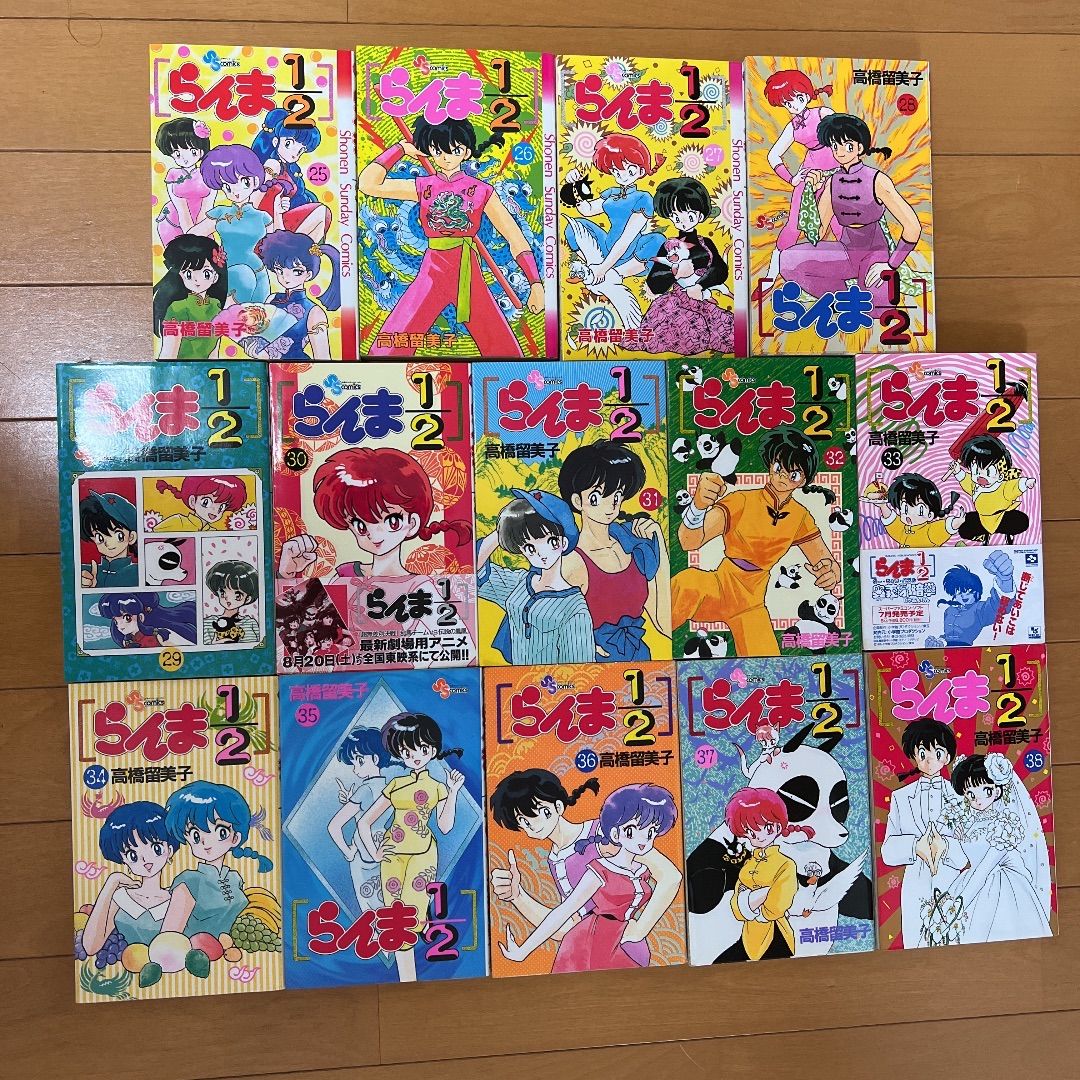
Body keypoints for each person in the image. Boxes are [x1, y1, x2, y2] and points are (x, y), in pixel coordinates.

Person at [358, 116, 544, 356]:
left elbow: (514, 236)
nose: (446, 157)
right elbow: (368, 184)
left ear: (466, 152)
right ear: (430, 151)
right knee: (389, 345)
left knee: (504, 350)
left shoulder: (482, 190)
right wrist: (399, 149)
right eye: (439, 151)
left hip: (467, 272)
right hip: (431, 271)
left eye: (455, 150)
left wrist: (535, 282)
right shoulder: (424, 186)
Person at [672, 428, 841, 656]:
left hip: (752, 602)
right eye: (779, 467)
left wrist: (830, 573)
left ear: (803, 480)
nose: (783, 477)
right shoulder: (741, 500)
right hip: (719, 585)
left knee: (766, 662)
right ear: (770, 465)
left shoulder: (800, 516)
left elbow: (826, 561)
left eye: (794, 474)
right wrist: (698, 506)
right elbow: (689, 541)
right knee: (687, 583)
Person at [498, 784, 679, 972]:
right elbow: (566, 919)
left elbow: (670, 876)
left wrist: (641, 929)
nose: (532, 823)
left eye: (539, 811)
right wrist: (517, 897)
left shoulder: (602, 831)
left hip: (627, 947)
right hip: (589, 949)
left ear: (558, 806)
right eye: (523, 820)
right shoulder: (562, 862)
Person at [351, 713, 465, 982]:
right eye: (407, 751)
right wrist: (375, 853)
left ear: (432, 750)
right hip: (392, 856)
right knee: (395, 916)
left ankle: (409, 979)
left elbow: (445, 826)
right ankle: (407, 979)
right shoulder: (396, 785)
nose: (415, 756)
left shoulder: (437, 787)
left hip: (423, 855)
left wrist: (453, 792)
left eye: (422, 749)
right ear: (399, 753)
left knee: (412, 914)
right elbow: (365, 822)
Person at [779, 113, 922, 311]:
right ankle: (841, 299)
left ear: (860, 148)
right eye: (834, 146)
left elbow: (913, 226)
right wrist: (810, 193)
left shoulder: (878, 180)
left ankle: (855, 298)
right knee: (788, 261)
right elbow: (817, 233)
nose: (840, 152)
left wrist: (891, 264)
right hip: (845, 252)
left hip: (875, 255)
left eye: (847, 145)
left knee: (880, 310)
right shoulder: (831, 183)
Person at [558, 441, 668, 661]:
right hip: (591, 665)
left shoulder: (635, 548)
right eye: (597, 496)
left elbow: (664, 622)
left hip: (641, 660)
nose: (611, 505)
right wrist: (581, 643)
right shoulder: (571, 562)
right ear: (578, 501)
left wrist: (660, 545)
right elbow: (547, 628)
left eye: (617, 495)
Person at [937, 754, 1052, 944]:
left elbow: (985, 868)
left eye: (986, 790)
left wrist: (958, 903)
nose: (978, 799)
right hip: (972, 880)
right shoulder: (968, 824)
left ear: (997, 791)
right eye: (971, 794)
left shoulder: (1004, 826)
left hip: (1003, 888)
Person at [476, 489, 595, 664]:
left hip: (551, 680)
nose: (541, 553)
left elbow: (580, 668)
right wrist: (506, 528)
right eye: (530, 547)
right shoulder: (519, 582)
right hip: (514, 677)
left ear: (563, 543)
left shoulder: (574, 607)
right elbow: (472, 571)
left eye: (551, 542)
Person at [880, 718, 969, 948]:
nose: (930, 760)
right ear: (914, 755)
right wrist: (915, 846)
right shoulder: (901, 797)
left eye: (937, 753)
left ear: (947, 757)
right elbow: (887, 851)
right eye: (922, 753)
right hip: (915, 884)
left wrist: (947, 847)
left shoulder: (961, 796)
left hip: (953, 881)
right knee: (915, 944)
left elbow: (971, 850)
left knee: (957, 942)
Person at [163, 781, 274, 938]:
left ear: (235, 838)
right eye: (195, 835)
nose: (206, 841)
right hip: (193, 951)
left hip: (233, 950)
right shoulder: (189, 881)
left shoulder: (235, 879)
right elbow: (169, 935)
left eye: (221, 832)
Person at [722, 787, 810, 962]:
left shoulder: (786, 864)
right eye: (750, 832)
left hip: (775, 935)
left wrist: (753, 902)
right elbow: (736, 905)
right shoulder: (748, 864)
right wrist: (761, 895)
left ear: (777, 826)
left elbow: (778, 904)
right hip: (749, 935)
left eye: (767, 828)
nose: (758, 837)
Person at [82, 802, 177, 955]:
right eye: (133, 855)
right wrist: (112, 882)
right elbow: (90, 946)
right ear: (123, 860)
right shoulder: (122, 897)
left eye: (156, 848)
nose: (145, 860)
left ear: (170, 850)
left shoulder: (176, 899)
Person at [328, 727, 394, 914]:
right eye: (353, 762)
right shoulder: (388, 787)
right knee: (387, 902)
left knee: (370, 907)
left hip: (363, 854)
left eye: (360, 761)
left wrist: (348, 852)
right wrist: (352, 801)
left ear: (375, 759)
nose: (355, 768)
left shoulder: (364, 790)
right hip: (384, 846)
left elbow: (334, 826)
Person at [79, 491, 139, 588]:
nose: (108, 543)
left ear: (131, 537)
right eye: (99, 537)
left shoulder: (137, 572)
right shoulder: (85, 572)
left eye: (118, 535)